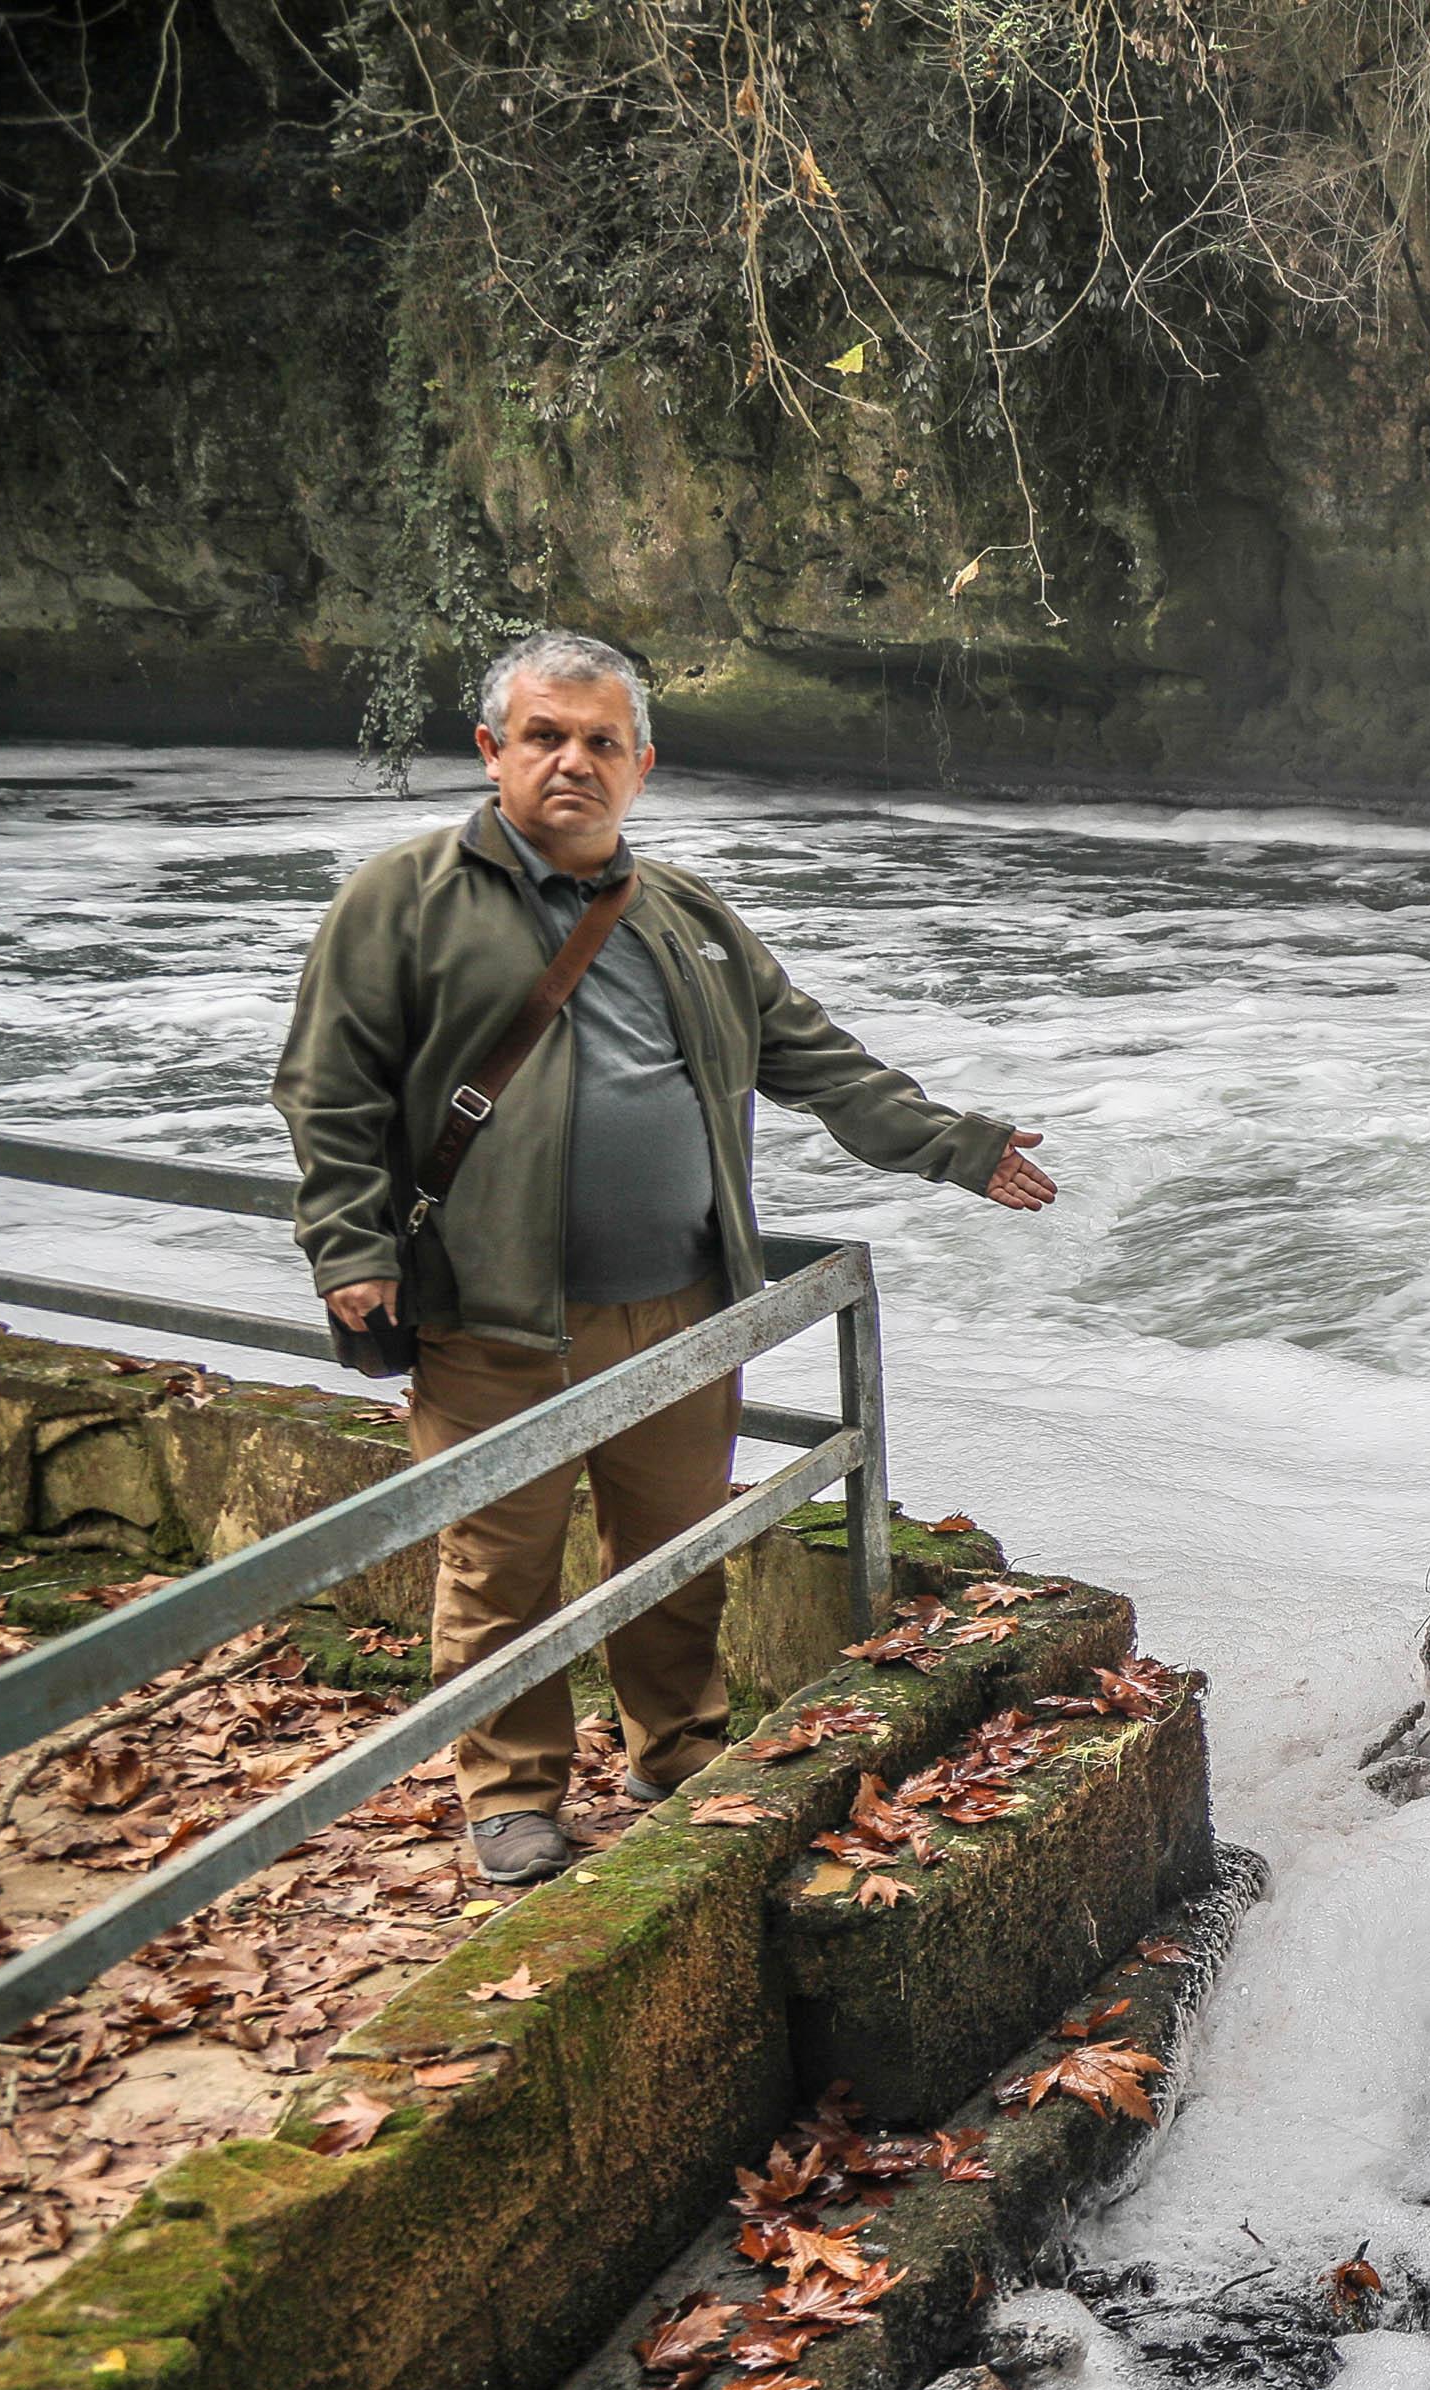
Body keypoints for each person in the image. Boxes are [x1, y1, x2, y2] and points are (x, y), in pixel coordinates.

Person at [276, 629, 1059, 1887]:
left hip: (686, 1307)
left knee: (676, 1554)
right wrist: (350, 1247)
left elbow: (815, 1057)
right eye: (544, 735)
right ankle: (511, 1794)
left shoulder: (687, 915)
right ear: (491, 750)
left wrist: (956, 1145)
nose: (572, 760)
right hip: (491, 1313)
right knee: (499, 1567)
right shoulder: (403, 899)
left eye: (601, 740)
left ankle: (677, 1750)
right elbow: (331, 1088)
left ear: (642, 764)